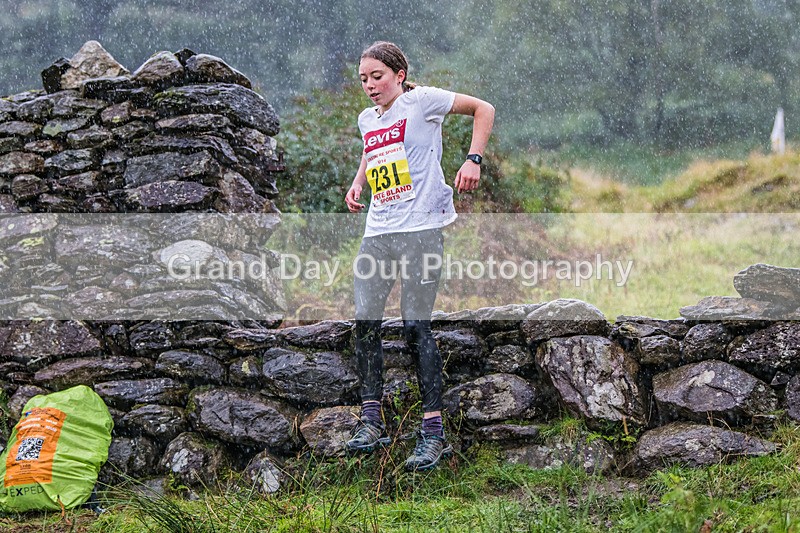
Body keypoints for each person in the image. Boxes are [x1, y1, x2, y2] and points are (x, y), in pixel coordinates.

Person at [343, 41, 495, 471]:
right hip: (380, 231)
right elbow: (373, 148)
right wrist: (359, 184)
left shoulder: (423, 101)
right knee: (366, 322)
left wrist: (473, 159)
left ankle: (432, 434)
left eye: (377, 77)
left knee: (415, 326)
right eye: (363, 80)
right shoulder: (366, 118)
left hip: (421, 230)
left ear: (399, 75)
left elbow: (484, 108)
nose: (370, 86)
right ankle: (371, 421)